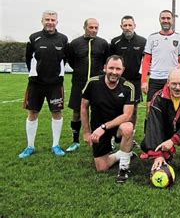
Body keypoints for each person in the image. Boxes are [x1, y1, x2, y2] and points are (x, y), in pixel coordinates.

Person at [18, 10, 69, 159]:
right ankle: (30, 146)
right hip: (36, 84)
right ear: (42, 21)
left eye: (53, 20)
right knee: (33, 113)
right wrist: (35, 73)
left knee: (57, 113)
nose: (50, 22)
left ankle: (56, 145)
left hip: (55, 84)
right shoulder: (34, 38)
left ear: (57, 22)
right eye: (47, 19)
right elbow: (29, 58)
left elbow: (64, 59)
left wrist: (57, 75)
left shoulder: (63, 39)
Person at [80, 55, 135, 183]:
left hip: (116, 127)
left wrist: (103, 127)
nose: (114, 72)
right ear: (104, 68)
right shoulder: (93, 83)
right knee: (101, 168)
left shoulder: (128, 87)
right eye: (111, 68)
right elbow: (83, 107)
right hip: (98, 128)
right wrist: (87, 132)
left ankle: (124, 168)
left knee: (128, 128)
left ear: (123, 70)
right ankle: (124, 153)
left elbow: (127, 115)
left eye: (118, 69)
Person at [140, 69, 180, 173]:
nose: (178, 87)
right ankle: (166, 156)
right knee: (145, 144)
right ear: (168, 83)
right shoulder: (158, 98)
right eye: (174, 84)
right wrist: (158, 155)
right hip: (166, 132)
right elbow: (154, 125)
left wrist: (173, 140)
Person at [65, 18, 109, 152]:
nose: (94, 30)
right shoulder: (75, 44)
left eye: (96, 28)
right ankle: (75, 140)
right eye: (91, 27)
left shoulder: (103, 43)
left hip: (98, 84)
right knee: (77, 111)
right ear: (84, 27)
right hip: (79, 82)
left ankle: (103, 139)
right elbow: (71, 61)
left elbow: (106, 61)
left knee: (101, 112)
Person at [141, 10, 180, 111]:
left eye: (168, 18)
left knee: (172, 110)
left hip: (172, 80)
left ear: (172, 20)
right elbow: (146, 60)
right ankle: (149, 127)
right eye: (163, 18)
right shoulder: (152, 37)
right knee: (150, 109)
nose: (165, 21)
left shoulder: (179, 38)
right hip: (155, 79)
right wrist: (144, 81)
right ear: (159, 20)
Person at [110, 15, 146, 125]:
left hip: (135, 81)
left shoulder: (143, 41)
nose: (128, 27)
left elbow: (146, 62)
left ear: (134, 26)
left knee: (133, 110)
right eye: (125, 25)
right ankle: (114, 135)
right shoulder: (115, 42)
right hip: (119, 81)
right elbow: (110, 61)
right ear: (121, 26)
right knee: (116, 109)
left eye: (130, 25)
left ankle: (131, 134)